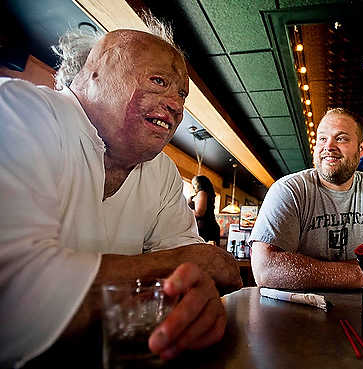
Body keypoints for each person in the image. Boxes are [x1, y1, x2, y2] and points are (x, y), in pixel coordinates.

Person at [0, 16, 242, 368]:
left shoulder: (162, 172)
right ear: (93, 72)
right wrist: (178, 264)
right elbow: (15, 301)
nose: (176, 106)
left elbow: (196, 280)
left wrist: (196, 297)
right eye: (159, 81)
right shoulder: (20, 110)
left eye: (181, 94)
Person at [249, 108, 363, 290]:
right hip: (299, 311)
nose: (328, 146)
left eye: (341, 138)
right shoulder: (289, 189)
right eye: (322, 138)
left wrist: (307, 268)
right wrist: (360, 273)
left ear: (361, 149)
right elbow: (265, 269)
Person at [190, 175, 221, 245]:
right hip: (207, 228)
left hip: (205, 230)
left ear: (199, 184)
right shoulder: (204, 194)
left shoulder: (202, 193)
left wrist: (185, 210)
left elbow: (199, 213)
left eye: (194, 184)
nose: (193, 187)